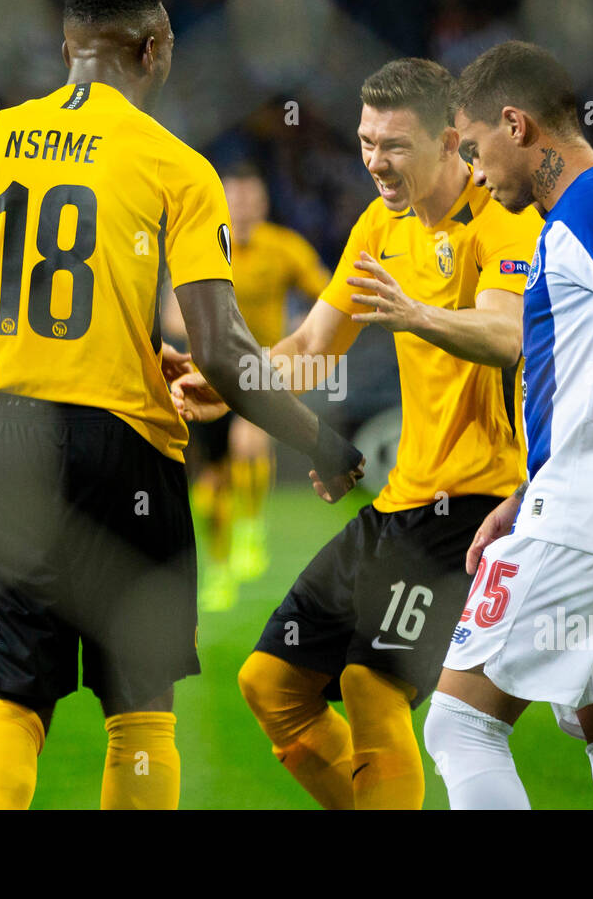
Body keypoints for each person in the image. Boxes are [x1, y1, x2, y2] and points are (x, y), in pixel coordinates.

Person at [0, 0, 362, 811]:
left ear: (67, 47)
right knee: (140, 713)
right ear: (157, 48)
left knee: (12, 700)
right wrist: (320, 440)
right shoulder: (176, 165)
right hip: (126, 448)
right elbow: (220, 350)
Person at [176, 57, 540, 809]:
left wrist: (415, 314)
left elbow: (508, 334)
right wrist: (229, 383)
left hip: (479, 503)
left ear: (449, 141)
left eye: (395, 145)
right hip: (402, 497)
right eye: (367, 141)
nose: (375, 160)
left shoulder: (502, 216)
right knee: (271, 685)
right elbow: (311, 348)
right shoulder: (381, 223)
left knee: (371, 683)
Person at [422, 40, 593, 810]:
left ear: (516, 125)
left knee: (459, 727)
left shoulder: (592, 202)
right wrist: (529, 489)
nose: (475, 173)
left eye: (476, 150)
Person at [180, 163, 330, 609]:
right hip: (206, 373)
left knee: (250, 442)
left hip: (259, 369)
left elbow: (327, 294)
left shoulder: (284, 248)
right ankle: (221, 567)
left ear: (263, 204)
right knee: (211, 482)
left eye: (251, 199)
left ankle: (251, 528)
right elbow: (172, 305)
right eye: (235, 200)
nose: (243, 209)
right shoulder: (202, 243)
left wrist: (303, 329)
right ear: (222, 203)